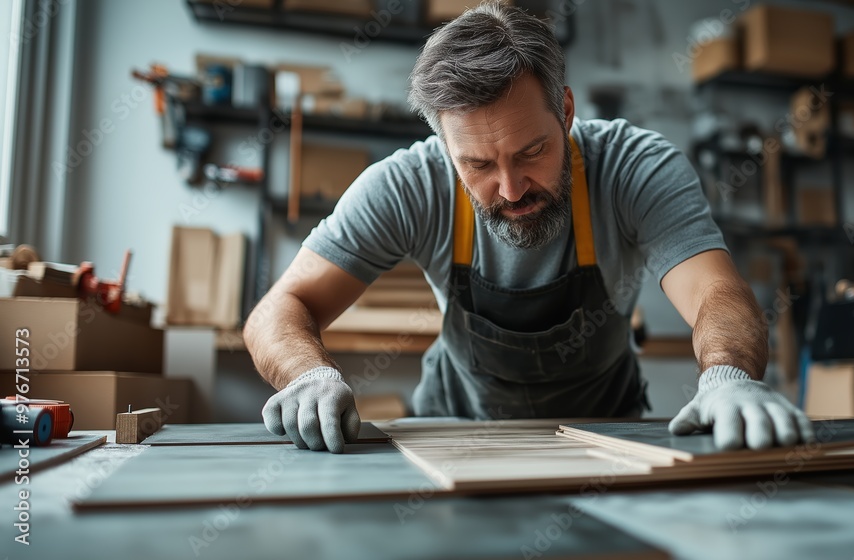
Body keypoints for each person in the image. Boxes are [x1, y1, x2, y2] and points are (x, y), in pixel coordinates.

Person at [245, 3, 813, 454]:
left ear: (565, 111)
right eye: (479, 165)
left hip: (606, 440)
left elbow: (716, 292)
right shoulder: (406, 185)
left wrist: (728, 374)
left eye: (533, 151)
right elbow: (279, 308)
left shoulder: (635, 167)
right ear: (445, 147)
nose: (512, 188)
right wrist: (309, 374)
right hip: (454, 437)